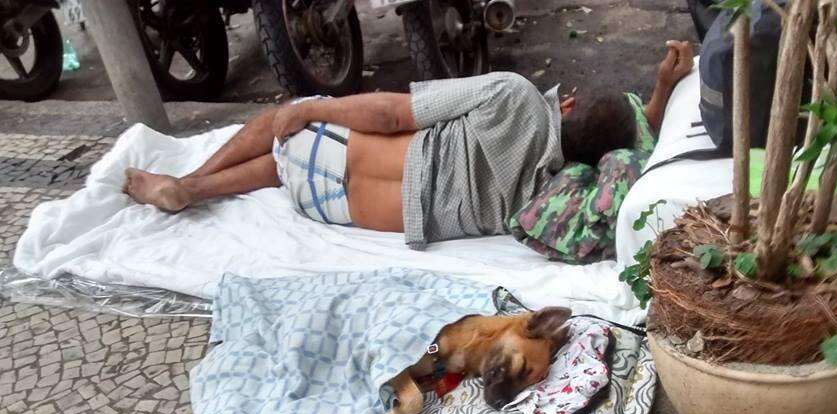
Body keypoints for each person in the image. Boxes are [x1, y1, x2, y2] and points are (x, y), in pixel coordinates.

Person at [124, 41, 693, 250]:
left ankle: (191, 184)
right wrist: (662, 93)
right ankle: (195, 187)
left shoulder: (513, 96)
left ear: (563, 105)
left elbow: (391, 112)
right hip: (339, 210)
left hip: (325, 151)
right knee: (280, 170)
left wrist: (312, 107)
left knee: (277, 123)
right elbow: (625, 140)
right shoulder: (552, 194)